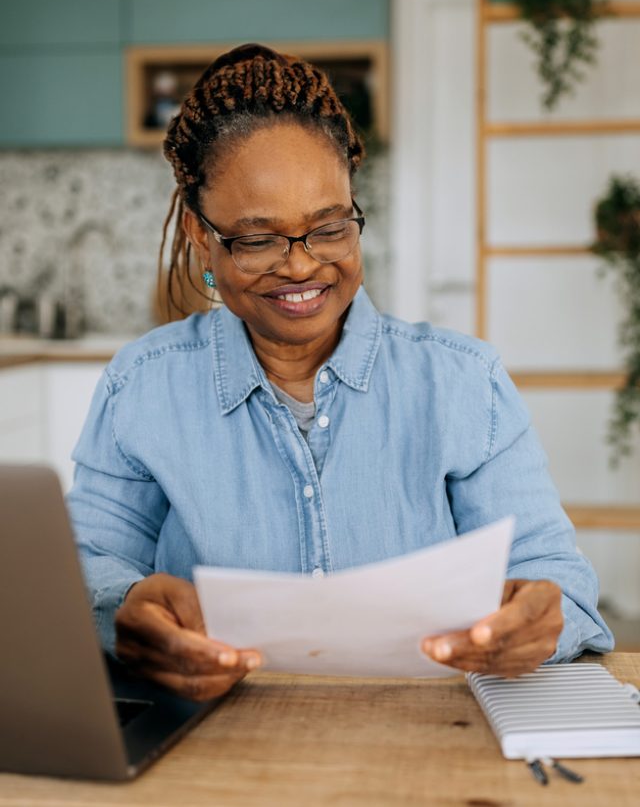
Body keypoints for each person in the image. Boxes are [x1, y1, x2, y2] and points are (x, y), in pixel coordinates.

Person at [68, 43, 613, 702]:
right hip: (210, 753)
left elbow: (559, 583)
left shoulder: (464, 383)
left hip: (424, 746)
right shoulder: (142, 387)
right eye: (258, 238)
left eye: (328, 228)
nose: (301, 266)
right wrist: (121, 607)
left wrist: (538, 621)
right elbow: (79, 572)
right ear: (199, 235)